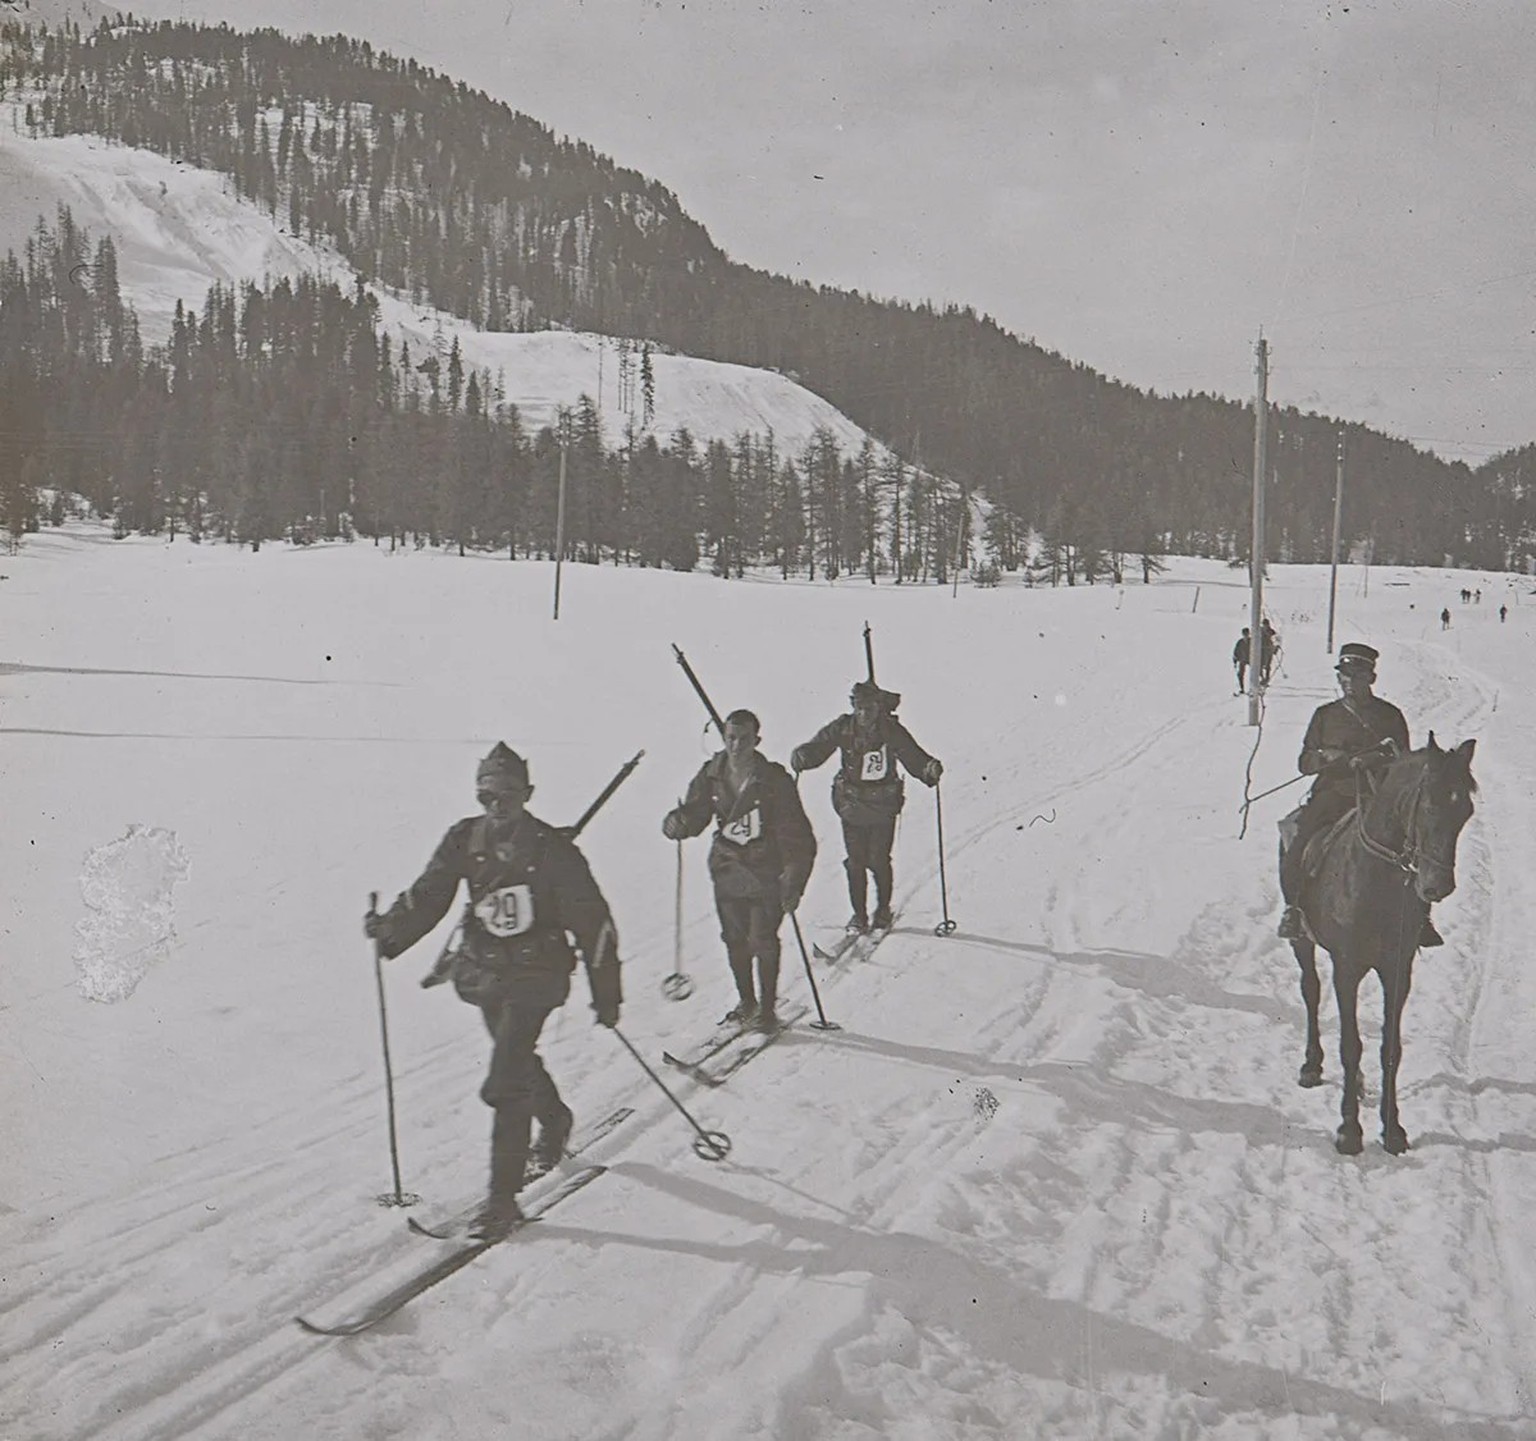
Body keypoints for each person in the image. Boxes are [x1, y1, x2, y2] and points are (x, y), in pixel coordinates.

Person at [365, 743, 622, 1240]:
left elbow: (595, 924)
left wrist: (606, 995)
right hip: (485, 973)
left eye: (506, 795)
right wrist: (390, 928)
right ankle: (555, 1117)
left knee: (506, 1078)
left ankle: (503, 1202)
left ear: (527, 794)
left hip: (538, 975)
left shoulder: (554, 851)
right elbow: (431, 892)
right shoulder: (466, 838)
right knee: (518, 1058)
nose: (496, 805)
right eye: (487, 796)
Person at [1277, 644, 1441, 948]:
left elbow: (1403, 764)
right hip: (1333, 796)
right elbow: (1305, 762)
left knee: (1417, 846)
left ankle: (1421, 919)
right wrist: (1332, 758)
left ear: (1371, 678)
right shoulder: (1325, 715)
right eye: (1344, 675)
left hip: (1378, 797)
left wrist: (1374, 761)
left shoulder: (1390, 716)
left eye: (1356, 674)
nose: (1349, 681)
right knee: (1299, 845)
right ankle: (1294, 911)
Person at [663, 709, 816, 1033]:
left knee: (762, 939)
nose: (736, 745)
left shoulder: (773, 779)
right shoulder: (712, 773)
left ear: (756, 740)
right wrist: (678, 822)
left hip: (766, 871)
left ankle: (767, 1010)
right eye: (731, 737)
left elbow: (797, 836)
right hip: (727, 868)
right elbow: (696, 813)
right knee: (734, 940)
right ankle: (747, 1002)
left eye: (744, 739)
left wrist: (794, 880)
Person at [791, 680, 942, 934]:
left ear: (878, 707)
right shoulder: (843, 727)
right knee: (855, 862)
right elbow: (820, 746)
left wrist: (928, 769)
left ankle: (883, 909)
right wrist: (804, 756)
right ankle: (859, 915)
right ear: (853, 706)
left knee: (879, 859)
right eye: (859, 708)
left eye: (869, 708)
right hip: (852, 806)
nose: (864, 714)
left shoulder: (890, 730)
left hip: (883, 805)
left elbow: (911, 754)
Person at [1258, 618, 1279, 686]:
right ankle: (1262, 678)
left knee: (1267, 666)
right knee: (1260, 665)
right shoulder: (1259, 631)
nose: (1265, 626)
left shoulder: (1271, 631)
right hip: (1261, 649)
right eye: (1264, 624)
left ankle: (1266, 679)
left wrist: (1275, 648)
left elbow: (1275, 639)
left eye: (1266, 624)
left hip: (1268, 650)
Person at [1233, 628, 1251, 694]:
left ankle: (1255, 687)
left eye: (1246, 634)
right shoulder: (1240, 642)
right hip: (1242, 660)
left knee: (1255, 673)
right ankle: (1242, 689)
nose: (1245, 636)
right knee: (1240, 675)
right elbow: (1236, 651)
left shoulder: (1252, 641)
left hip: (1251, 660)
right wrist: (1235, 660)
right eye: (1244, 634)